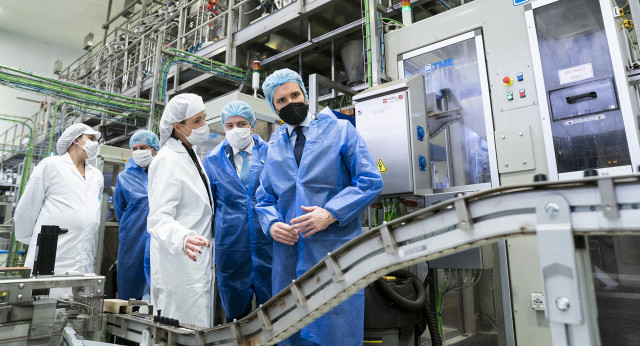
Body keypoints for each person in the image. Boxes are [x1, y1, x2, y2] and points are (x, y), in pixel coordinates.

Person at [256, 69, 383, 346]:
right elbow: (264, 198)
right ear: (273, 106)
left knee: (335, 329)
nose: (290, 103)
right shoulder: (274, 146)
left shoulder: (340, 130)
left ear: (305, 94)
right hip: (288, 258)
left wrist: (331, 213)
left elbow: (370, 180)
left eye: (295, 95)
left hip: (333, 253)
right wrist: (271, 224)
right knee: (290, 329)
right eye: (281, 101)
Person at [147, 93, 214, 327]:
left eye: (204, 118)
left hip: (195, 260)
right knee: (180, 329)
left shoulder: (190, 153)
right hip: (178, 264)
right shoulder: (167, 160)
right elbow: (157, 218)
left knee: (196, 326)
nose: (204, 126)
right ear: (178, 126)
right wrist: (183, 238)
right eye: (197, 121)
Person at [203, 100, 272, 321]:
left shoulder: (272, 154)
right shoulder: (213, 160)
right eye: (229, 125)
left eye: (241, 123)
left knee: (275, 310)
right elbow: (209, 205)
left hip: (268, 240)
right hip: (231, 243)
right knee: (236, 315)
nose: (235, 130)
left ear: (252, 125)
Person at [15, 123, 104, 277]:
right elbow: (27, 208)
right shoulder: (50, 165)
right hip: (52, 253)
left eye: (96, 140)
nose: (95, 144)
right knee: (45, 297)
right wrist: (33, 240)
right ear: (76, 140)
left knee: (78, 299)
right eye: (91, 138)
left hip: (84, 256)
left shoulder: (97, 175)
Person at [113, 130, 159, 300]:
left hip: (160, 237)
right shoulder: (124, 178)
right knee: (132, 287)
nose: (139, 152)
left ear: (155, 149)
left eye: (143, 147)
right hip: (133, 239)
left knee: (160, 287)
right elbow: (120, 211)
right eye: (135, 148)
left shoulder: (164, 172)